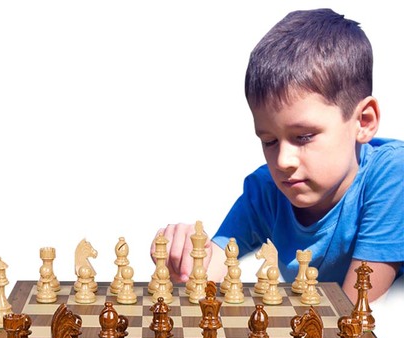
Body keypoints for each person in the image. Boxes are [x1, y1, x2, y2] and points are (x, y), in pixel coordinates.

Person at [153, 9, 403, 303]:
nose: (283, 161)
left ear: (363, 121)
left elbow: (355, 314)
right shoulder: (267, 190)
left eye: (304, 136)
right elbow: (208, 274)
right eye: (269, 141)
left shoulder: (392, 176)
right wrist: (184, 261)